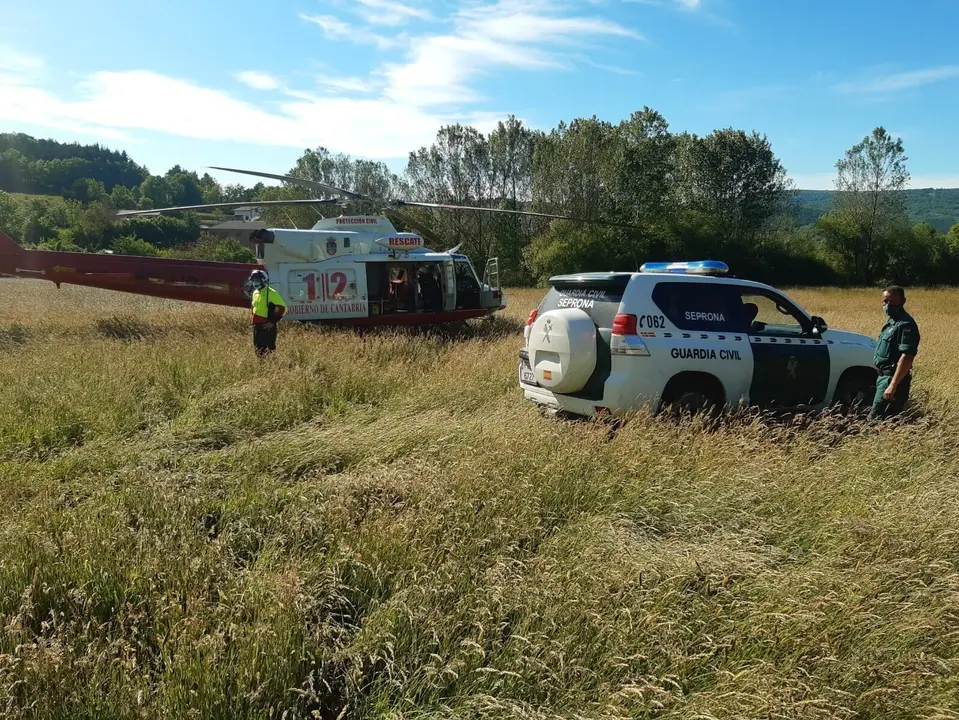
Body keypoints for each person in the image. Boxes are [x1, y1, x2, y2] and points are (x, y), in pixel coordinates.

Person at [871, 285, 920, 420]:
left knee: (876, 420)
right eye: (885, 301)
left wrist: (892, 385)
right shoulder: (892, 322)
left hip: (891, 379)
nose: (887, 305)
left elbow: (907, 357)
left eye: (892, 302)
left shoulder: (905, 325)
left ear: (903, 301)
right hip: (882, 377)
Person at [248, 269, 287, 357]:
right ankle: (261, 367)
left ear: (264, 280)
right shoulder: (255, 293)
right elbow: (253, 307)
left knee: (269, 350)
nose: (255, 283)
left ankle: (272, 367)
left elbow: (283, 308)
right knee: (258, 348)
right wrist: (252, 319)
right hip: (256, 325)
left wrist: (273, 322)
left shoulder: (271, 293)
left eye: (257, 280)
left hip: (267, 326)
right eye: (253, 281)